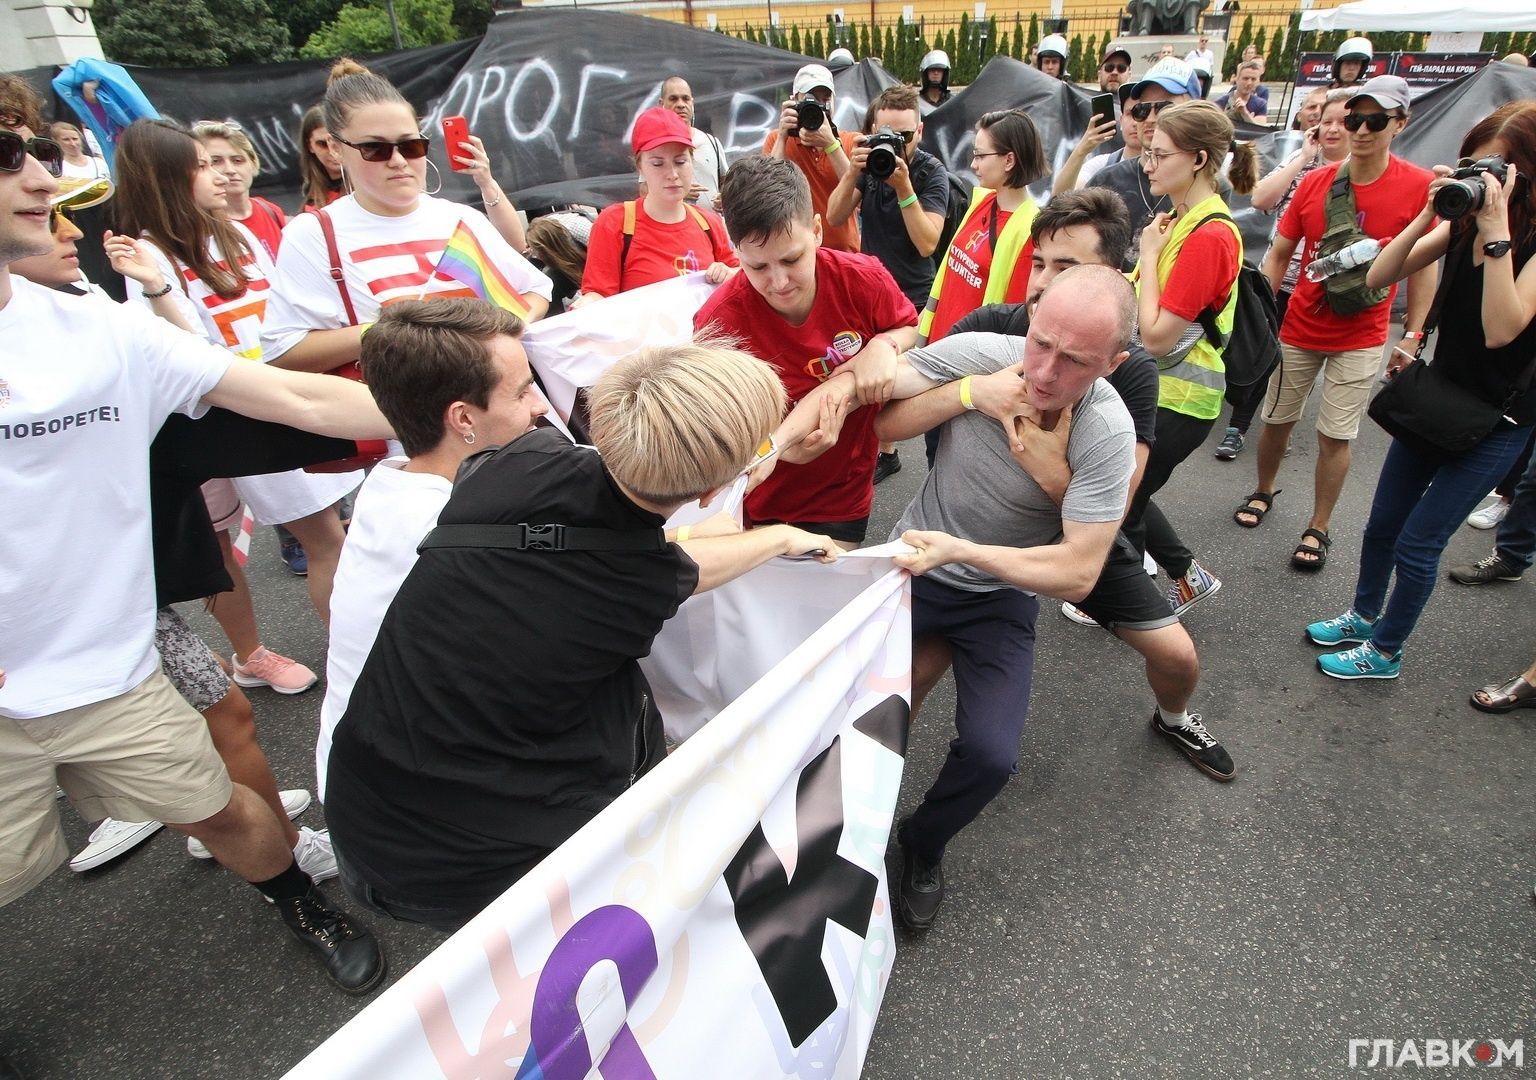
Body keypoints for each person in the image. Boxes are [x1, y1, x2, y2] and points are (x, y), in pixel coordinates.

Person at [0, 73, 389, 994]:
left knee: (225, 814)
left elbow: (289, 393)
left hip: (114, 670)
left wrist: (468, 409)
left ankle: (301, 899)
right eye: (6, 158)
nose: (37, 173)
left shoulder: (96, 329)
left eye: (29, 149)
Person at [324, 343, 843, 931]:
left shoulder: (516, 460)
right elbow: (672, 570)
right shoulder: (629, 589)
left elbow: (637, 551)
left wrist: (735, 529)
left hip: (365, 793)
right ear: (704, 496)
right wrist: (778, 538)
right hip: (454, 862)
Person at [10, 186, 328, 877]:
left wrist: (159, 292)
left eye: (68, 208)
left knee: (225, 717)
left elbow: (209, 380)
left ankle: (268, 854)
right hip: (52, 630)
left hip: (129, 596)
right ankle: (152, 802)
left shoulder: (97, 321)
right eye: (45, 213)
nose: (72, 230)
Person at [939, 189, 1235, 784]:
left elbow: (1118, 509)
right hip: (969, 532)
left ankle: (1174, 719)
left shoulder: (1130, 370)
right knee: (910, 680)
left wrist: (1047, 468)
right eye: (1038, 263)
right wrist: (970, 391)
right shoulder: (990, 328)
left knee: (1177, 656)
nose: (1043, 284)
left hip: (1079, 539)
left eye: (1066, 268)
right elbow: (899, 401)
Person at [878, 265, 1141, 929]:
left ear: (1114, 363)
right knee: (850, 715)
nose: (1045, 372)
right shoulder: (991, 357)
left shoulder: (1107, 431)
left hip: (998, 594)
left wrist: (962, 552)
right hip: (908, 565)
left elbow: (1079, 573)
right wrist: (968, 394)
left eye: (1075, 361)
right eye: (1040, 341)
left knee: (992, 755)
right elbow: (884, 420)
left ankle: (923, 842)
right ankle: (829, 839)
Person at [1306, 102, 1536, 680]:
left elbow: (1501, 327)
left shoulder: (1514, 238)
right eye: (1477, 166)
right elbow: (1381, 277)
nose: (1486, 182)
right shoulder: (1463, 222)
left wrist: (1496, 232)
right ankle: (1363, 618)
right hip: (1438, 397)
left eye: (1500, 170)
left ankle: (1386, 651)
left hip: (1500, 421)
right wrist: (1428, 215)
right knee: (1382, 524)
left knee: (1418, 542)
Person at [113, 118, 357, 639]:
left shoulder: (237, 231)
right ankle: (356, 662)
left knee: (339, 535)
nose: (219, 175)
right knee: (328, 542)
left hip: (295, 392)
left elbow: (284, 314)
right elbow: (181, 357)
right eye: (201, 166)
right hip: (250, 413)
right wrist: (157, 289)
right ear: (166, 179)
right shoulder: (151, 257)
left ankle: (361, 655)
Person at [317, 299, 536, 800]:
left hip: (373, 779)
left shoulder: (393, 484)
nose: (540, 405)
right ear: (463, 419)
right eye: (523, 391)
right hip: (424, 817)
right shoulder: (463, 531)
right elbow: (651, 574)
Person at [1244, 76, 1436, 572]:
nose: (1363, 130)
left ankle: (1319, 525)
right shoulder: (1315, 182)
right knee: (1276, 419)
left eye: (1376, 120)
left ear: (1400, 123)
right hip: (1301, 326)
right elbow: (1280, 252)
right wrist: (1266, 314)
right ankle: (1264, 489)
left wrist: (1413, 335)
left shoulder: (1419, 187)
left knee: (1336, 434)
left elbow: (1424, 266)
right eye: (1356, 119)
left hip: (1365, 332)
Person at [262, 59, 551, 377]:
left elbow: (536, 289)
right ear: (335, 148)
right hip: (390, 420)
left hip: (496, 406)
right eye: (375, 149)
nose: (398, 161)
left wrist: (505, 329)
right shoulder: (313, 233)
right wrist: (395, 332)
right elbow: (282, 353)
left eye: (411, 145)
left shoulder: (461, 219)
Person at [695, 156, 918, 543]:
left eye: (791, 259)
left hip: (843, 492)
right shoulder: (718, 324)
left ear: (816, 231)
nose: (779, 281)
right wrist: (782, 448)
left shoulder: (864, 280)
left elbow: (907, 324)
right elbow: (715, 423)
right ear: (736, 252)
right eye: (757, 267)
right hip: (760, 498)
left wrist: (886, 343)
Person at [1125, 101, 1259, 614]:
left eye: (1159, 154)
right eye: (1147, 152)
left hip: (1181, 398)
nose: (1147, 163)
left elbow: (1157, 336)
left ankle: (1136, 606)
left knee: (1124, 500)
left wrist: (1151, 257)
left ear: (1199, 159)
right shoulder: (1179, 219)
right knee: (1127, 494)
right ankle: (1185, 576)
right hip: (1159, 390)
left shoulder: (1211, 235)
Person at [1218, 88, 1350, 460]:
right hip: (1280, 279)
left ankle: (1280, 426)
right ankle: (1238, 427)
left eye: (1344, 122)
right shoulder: (1301, 160)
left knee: (1298, 364)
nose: (1334, 130)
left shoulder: (1364, 171)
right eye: (1327, 122)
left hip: (1326, 289)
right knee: (1263, 352)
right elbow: (1260, 198)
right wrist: (1304, 158)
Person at [828, 84, 949, 483]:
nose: (895, 147)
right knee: (868, 376)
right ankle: (879, 450)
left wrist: (904, 188)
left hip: (913, 295)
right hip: (872, 292)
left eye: (904, 137)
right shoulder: (869, 166)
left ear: (920, 132)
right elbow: (834, 216)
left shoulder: (931, 172)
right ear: (873, 131)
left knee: (893, 380)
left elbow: (928, 242)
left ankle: (888, 451)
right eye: (886, 136)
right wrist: (852, 171)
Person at [578, 108, 736, 301]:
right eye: (657, 164)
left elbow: (740, 277)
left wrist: (728, 273)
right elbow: (597, 295)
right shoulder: (614, 223)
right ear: (640, 167)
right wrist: (582, 308)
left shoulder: (708, 222)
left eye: (680, 161)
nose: (672, 174)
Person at [918, 108, 1046, 344]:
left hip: (968, 361)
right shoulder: (982, 202)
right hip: (938, 348)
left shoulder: (1029, 231)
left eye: (979, 156)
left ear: (1009, 160)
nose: (973, 165)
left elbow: (1014, 319)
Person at [1088, 57, 1203, 269]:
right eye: (1141, 110)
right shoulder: (1105, 179)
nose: (1150, 118)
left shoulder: (1208, 190)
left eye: (1163, 107)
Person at [764, 63, 862, 253]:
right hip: (798, 253)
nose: (817, 106)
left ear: (833, 102)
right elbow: (769, 192)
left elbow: (859, 192)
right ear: (794, 101)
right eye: (810, 100)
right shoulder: (777, 140)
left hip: (844, 254)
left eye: (824, 99)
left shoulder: (849, 141)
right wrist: (784, 135)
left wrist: (831, 144)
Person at [1057, 83, 1140, 194]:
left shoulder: (1163, 171)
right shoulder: (1102, 164)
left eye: (1141, 113)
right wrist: (1081, 150)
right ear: (1121, 120)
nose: (1135, 122)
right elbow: (1060, 198)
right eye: (1130, 114)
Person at [661, 75, 728, 205]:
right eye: (673, 99)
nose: (680, 104)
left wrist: (725, 198)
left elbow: (727, 183)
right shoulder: (656, 146)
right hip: (674, 223)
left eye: (685, 99)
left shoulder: (712, 142)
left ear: (692, 102)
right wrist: (676, 192)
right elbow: (644, 190)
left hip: (713, 224)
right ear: (661, 103)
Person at [524, 211, 590, 313]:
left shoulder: (551, 280)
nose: (534, 254)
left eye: (535, 251)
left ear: (544, 251)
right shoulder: (587, 251)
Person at [298, 105, 344, 210]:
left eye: (337, 142)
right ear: (310, 146)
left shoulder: (368, 188)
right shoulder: (311, 200)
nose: (332, 151)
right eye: (323, 144)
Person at [1217, 61, 1269, 126]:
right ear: (1237, 79)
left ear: (1258, 81)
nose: (1249, 83)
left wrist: (1245, 113)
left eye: (1253, 79)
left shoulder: (1260, 104)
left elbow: (1261, 129)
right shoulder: (1221, 102)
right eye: (1245, 78)